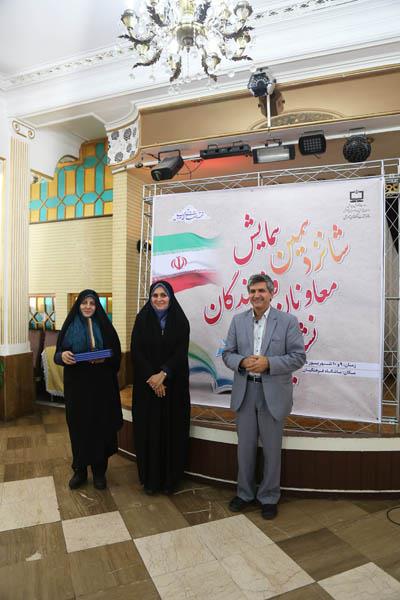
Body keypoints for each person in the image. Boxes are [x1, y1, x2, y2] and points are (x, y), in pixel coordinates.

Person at [222, 273, 306, 519]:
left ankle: (269, 497)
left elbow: (298, 357)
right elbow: (227, 353)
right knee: (245, 449)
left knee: (271, 449)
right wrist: (241, 361)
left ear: (271, 293)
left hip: (273, 394)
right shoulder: (238, 321)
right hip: (245, 392)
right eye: (252, 291)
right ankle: (244, 493)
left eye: (261, 291)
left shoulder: (287, 321)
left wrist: (269, 363)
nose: (256, 295)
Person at [54, 290, 123, 490]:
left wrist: (105, 358)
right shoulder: (69, 326)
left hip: (101, 388)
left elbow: (116, 355)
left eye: (92, 303)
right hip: (77, 388)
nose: (88, 306)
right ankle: (80, 471)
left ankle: (99, 472)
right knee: (79, 429)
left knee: (100, 428)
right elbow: (57, 354)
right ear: (78, 305)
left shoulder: (105, 326)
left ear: (97, 306)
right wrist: (62, 356)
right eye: (84, 303)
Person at [130, 280, 190, 495]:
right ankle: (151, 480)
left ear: (170, 297)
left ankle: (170, 481)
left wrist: (163, 374)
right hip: (147, 388)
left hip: (173, 388)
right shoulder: (141, 319)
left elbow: (181, 352)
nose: (159, 299)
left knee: (171, 432)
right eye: (155, 295)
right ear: (150, 298)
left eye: (163, 295)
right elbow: (136, 351)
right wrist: (152, 378)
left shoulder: (180, 321)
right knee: (149, 432)